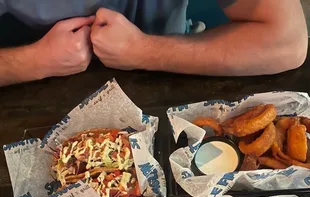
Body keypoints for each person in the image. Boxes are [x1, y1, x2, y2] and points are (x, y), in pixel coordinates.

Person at [0, 0, 308, 86]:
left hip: (169, 74)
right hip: (33, 90)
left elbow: (287, 40)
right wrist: (32, 61)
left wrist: (144, 50)